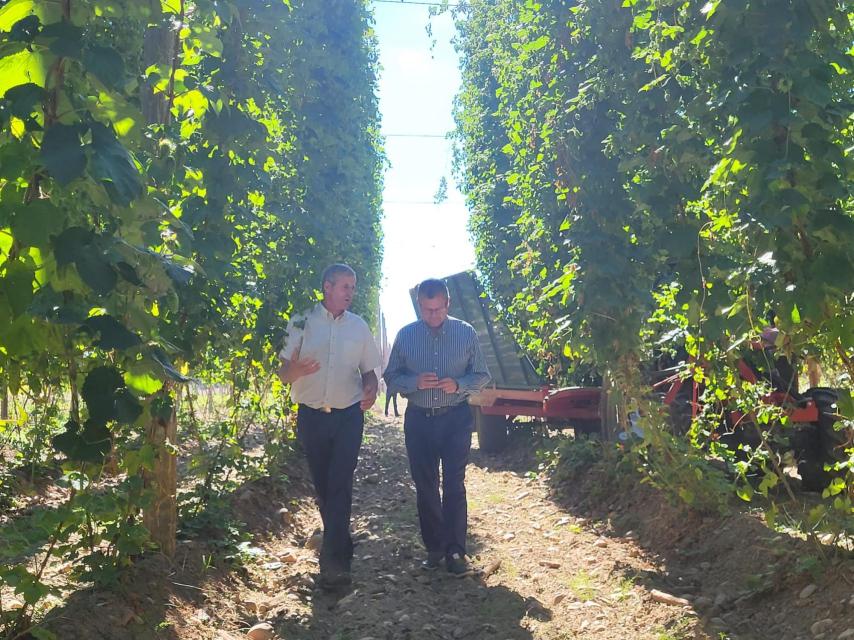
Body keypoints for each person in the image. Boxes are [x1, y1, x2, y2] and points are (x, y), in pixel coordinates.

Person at [277, 264, 381, 589]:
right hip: (310, 416)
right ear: (327, 286)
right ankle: (341, 543)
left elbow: (369, 371)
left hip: (348, 414)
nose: (350, 292)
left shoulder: (359, 327)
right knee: (323, 487)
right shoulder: (301, 322)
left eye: (353, 286)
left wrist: (371, 388)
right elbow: (282, 373)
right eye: (344, 286)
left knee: (340, 483)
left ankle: (334, 563)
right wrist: (294, 369)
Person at [383, 278, 490, 576]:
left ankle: (456, 550)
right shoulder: (406, 336)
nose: (433, 316)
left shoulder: (465, 333)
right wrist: (413, 382)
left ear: (448, 304)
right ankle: (434, 548)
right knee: (426, 485)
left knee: (454, 483)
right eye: (428, 310)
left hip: (455, 417)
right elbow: (390, 377)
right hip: (419, 418)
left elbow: (482, 375)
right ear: (420, 306)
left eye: (439, 309)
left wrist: (459, 384)